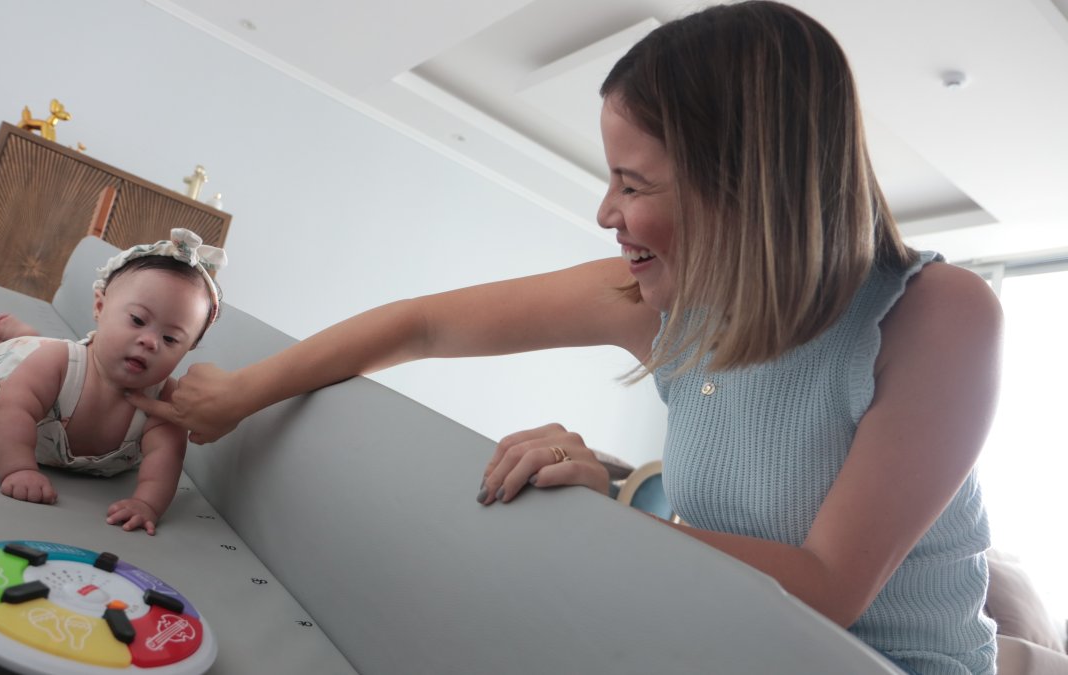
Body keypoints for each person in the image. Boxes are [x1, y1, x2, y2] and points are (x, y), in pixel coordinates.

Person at [128, 3, 1001, 672]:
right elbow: (424, 324)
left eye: (632, 182)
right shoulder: (657, 299)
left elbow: (825, 587)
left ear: (746, 188)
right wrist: (243, 394)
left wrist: (606, 508)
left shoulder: (940, 315)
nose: (606, 213)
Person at [0, 229, 227, 535]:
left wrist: (146, 504)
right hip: (17, 371)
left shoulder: (163, 404)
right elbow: (12, 409)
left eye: (170, 339)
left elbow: (165, 459)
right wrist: (18, 468)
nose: (150, 342)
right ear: (100, 307)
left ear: (188, 348)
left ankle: (28, 334)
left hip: (46, 368)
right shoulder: (57, 363)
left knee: (36, 350)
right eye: (138, 320)